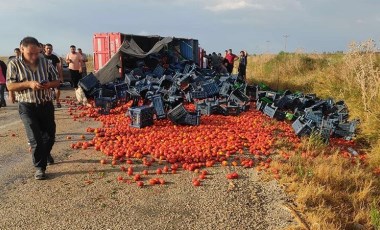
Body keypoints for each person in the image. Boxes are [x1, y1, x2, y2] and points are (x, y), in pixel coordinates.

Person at [6, 36, 60, 180]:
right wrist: (29, 84)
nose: (35, 56)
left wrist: (49, 85)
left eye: (37, 53)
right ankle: (40, 168)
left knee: (50, 135)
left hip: (45, 104)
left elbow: (57, 81)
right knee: (35, 138)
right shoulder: (14, 64)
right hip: (27, 106)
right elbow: (10, 85)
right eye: (31, 53)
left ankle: (44, 153)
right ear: (22, 49)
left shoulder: (46, 62)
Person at [44, 43, 63, 108]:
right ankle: (48, 102)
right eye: (47, 48)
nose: (49, 49)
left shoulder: (54, 57)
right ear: (45, 49)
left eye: (50, 48)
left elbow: (58, 67)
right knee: (46, 90)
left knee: (57, 89)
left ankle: (57, 101)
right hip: (45, 76)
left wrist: (60, 76)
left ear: (52, 49)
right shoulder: (42, 57)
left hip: (54, 75)